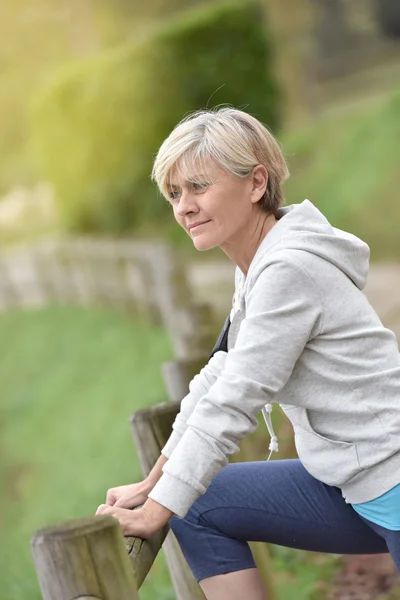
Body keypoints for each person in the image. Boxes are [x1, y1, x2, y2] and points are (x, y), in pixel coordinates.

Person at [96, 107, 400, 600]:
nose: (184, 207)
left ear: (256, 183)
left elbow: (234, 401)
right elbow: (219, 376)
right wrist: (155, 485)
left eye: (198, 187)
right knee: (193, 503)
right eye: (174, 194)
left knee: (179, 501)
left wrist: (154, 512)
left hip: (391, 479)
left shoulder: (288, 271)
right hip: (350, 486)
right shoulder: (257, 264)